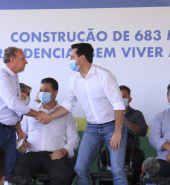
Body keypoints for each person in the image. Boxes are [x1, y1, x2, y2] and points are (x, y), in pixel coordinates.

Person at [37, 43, 128, 185]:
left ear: (82, 58)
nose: (69, 59)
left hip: (112, 126)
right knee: (80, 168)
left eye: (72, 56)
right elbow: (67, 105)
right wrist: (49, 117)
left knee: (117, 170)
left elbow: (118, 105)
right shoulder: (74, 80)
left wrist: (117, 132)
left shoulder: (104, 76)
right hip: (92, 128)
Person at [0, 47, 46, 177]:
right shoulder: (1, 77)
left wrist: (19, 128)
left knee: (7, 171)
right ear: (12, 60)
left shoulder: (14, 77)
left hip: (10, 130)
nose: (26, 62)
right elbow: (13, 104)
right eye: (23, 59)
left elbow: (14, 105)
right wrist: (38, 114)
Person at [14, 77, 80, 185]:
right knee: (18, 169)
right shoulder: (31, 112)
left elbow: (74, 138)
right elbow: (20, 133)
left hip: (54, 156)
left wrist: (63, 151)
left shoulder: (66, 114)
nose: (42, 93)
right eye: (40, 90)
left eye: (46, 90)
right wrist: (20, 142)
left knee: (61, 175)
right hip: (32, 155)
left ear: (55, 93)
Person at [100, 85, 148, 185]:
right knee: (102, 159)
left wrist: (127, 123)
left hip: (132, 150)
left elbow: (143, 131)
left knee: (141, 162)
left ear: (129, 99)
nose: (121, 99)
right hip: (112, 148)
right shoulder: (109, 114)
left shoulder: (137, 114)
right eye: (118, 96)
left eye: (124, 97)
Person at [149, 83, 170, 178]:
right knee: (153, 170)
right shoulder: (160, 116)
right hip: (164, 160)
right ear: (168, 97)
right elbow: (153, 137)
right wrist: (168, 146)